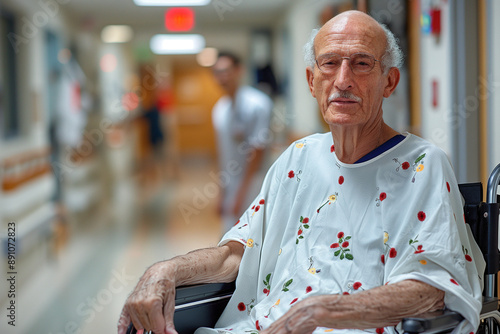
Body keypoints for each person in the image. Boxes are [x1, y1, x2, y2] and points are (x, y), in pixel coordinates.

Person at [118, 10, 484, 334]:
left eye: (361, 63)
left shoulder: (423, 164)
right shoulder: (299, 158)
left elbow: (432, 287)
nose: (342, 80)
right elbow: (238, 253)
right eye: (329, 63)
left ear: (389, 81)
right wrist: (165, 270)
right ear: (312, 81)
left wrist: (318, 310)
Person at [211, 52, 273, 233]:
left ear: (239, 70)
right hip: (230, 183)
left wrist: (241, 195)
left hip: (254, 183)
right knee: (230, 238)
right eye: (217, 72)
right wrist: (221, 193)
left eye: (226, 71)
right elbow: (222, 154)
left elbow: (257, 151)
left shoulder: (258, 104)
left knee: (254, 237)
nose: (222, 77)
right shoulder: (220, 110)